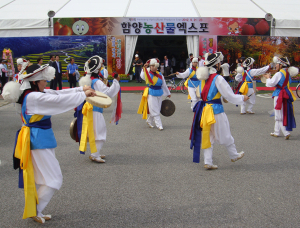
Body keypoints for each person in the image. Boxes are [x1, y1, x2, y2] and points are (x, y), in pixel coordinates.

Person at [2, 63, 96, 224]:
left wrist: (81, 90)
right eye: (43, 80)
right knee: (54, 179)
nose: (47, 82)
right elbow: (58, 101)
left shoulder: (33, 93)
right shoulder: (33, 97)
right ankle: (35, 210)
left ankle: (36, 209)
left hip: (39, 140)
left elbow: (58, 94)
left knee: (48, 178)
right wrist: (83, 95)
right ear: (35, 82)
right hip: (37, 141)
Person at [190, 52, 248, 170]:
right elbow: (230, 96)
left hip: (205, 111)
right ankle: (233, 155)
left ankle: (208, 162)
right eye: (219, 63)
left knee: (208, 136)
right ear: (216, 64)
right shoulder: (218, 78)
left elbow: (203, 94)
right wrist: (243, 98)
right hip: (216, 111)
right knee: (225, 133)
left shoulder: (202, 79)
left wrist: (220, 97)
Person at [77, 56, 121, 163]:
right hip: (95, 110)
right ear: (97, 69)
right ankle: (95, 154)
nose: (102, 68)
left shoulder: (87, 80)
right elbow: (109, 93)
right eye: (100, 66)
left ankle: (96, 151)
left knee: (95, 131)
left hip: (89, 109)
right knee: (100, 132)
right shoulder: (96, 81)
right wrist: (116, 81)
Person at [263, 56, 298, 140]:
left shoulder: (279, 73)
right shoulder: (287, 73)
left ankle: (286, 133)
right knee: (279, 112)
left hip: (279, 94)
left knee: (278, 114)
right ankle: (276, 132)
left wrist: (268, 78)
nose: (275, 65)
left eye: (277, 64)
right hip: (286, 93)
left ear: (281, 65)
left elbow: (270, 84)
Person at [138, 58, 171, 130]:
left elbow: (164, 85)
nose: (154, 67)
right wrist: (144, 68)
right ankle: (159, 125)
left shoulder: (160, 75)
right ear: (150, 66)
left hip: (159, 93)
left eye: (155, 66)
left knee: (157, 109)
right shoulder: (147, 74)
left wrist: (168, 93)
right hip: (151, 93)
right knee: (155, 110)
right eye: (152, 66)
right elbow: (142, 76)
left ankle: (149, 121)